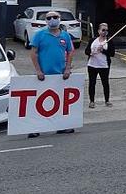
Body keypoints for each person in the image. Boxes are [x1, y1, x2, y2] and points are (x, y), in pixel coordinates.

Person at [27, 10, 75, 138]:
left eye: (55, 17)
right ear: (46, 20)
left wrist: (67, 68)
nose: (52, 19)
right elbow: (33, 53)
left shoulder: (65, 35)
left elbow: (70, 52)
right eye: (49, 18)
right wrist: (38, 70)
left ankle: (60, 127)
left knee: (59, 103)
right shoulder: (39, 35)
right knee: (39, 103)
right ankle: (35, 128)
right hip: (43, 76)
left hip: (60, 75)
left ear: (59, 19)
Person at [84, 22, 115, 108]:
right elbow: (86, 51)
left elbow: (112, 53)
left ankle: (107, 100)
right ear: (99, 31)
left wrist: (103, 50)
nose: (105, 32)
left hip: (104, 65)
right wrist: (91, 52)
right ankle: (92, 101)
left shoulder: (109, 41)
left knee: (105, 83)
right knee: (92, 83)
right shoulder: (92, 40)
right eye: (103, 30)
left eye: (106, 30)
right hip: (92, 65)